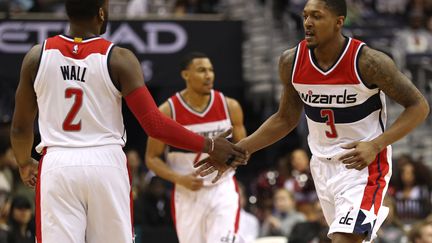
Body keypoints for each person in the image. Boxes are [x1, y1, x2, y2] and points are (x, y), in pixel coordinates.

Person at [9, 0, 247, 242]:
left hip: (58, 163)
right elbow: (154, 124)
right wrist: (210, 145)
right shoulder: (119, 58)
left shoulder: (36, 57)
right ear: (101, 13)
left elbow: (19, 127)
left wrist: (24, 161)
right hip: (105, 162)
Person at [197, 0, 430, 242]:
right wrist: (239, 150)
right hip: (321, 164)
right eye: (305, 15)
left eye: (317, 16)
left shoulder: (368, 62)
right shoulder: (291, 62)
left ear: (339, 22)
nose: (308, 23)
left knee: (346, 238)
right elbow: (285, 119)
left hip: (363, 166)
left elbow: (419, 106)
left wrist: (376, 144)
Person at [145, 52, 247, 243]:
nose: (208, 75)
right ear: (186, 75)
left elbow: (244, 149)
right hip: (187, 192)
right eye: (201, 70)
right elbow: (152, 158)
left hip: (222, 189)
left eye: (211, 70)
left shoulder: (230, 106)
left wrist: (231, 161)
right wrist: (179, 179)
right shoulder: (168, 111)